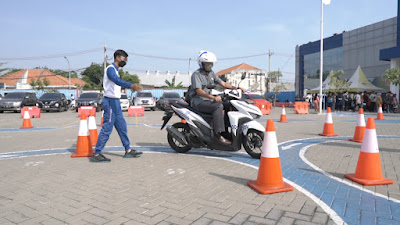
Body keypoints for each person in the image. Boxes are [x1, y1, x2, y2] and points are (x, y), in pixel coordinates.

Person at [91, 49, 143, 162]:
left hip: (115, 102)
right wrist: (131, 85)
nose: (126, 61)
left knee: (122, 127)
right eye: (125, 58)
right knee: (107, 127)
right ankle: (97, 153)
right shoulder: (110, 69)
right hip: (109, 102)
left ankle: (128, 150)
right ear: (118, 57)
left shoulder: (116, 70)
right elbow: (116, 81)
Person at [188, 50, 245, 145]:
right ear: (201, 64)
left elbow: (223, 83)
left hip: (208, 99)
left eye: (211, 64)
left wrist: (237, 88)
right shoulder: (196, 75)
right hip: (198, 101)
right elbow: (199, 91)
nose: (210, 66)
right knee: (218, 106)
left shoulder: (211, 74)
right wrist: (213, 98)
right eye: (207, 64)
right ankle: (217, 135)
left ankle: (225, 132)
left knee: (228, 104)